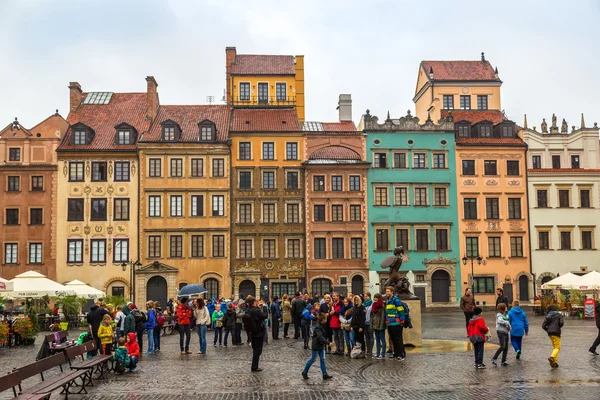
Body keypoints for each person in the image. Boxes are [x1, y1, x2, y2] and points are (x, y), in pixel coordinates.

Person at [302, 313, 333, 381]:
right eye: (326, 319)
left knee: (322, 359)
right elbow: (320, 337)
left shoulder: (322, 325)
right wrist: (328, 343)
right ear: (323, 320)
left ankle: (324, 374)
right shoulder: (318, 326)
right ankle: (304, 372)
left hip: (321, 345)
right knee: (313, 359)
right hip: (316, 345)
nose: (326, 320)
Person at [385, 286, 409, 361]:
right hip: (390, 323)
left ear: (392, 292)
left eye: (388, 291)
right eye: (386, 291)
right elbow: (387, 312)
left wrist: (402, 320)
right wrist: (387, 319)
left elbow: (401, 311)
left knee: (398, 339)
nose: (386, 292)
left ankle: (401, 354)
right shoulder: (388, 300)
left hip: (396, 323)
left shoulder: (396, 300)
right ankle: (396, 353)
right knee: (393, 339)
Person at [246, 295, 268, 372]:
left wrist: (258, 307)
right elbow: (265, 316)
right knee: (257, 351)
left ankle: (254, 366)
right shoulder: (256, 310)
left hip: (251, 332)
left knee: (255, 349)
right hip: (258, 332)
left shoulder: (247, 310)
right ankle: (254, 367)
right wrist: (264, 307)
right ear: (254, 302)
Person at [370, 293, 386, 360]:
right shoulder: (373, 305)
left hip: (380, 324)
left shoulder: (382, 305)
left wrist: (382, 325)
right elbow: (371, 315)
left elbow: (383, 316)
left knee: (382, 339)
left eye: (376, 297)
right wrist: (372, 324)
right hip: (374, 324)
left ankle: (383, 353)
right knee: (377, 339)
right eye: (374, 297)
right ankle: (378, 352)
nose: (375, 299)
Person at [363, 292, 374, 357]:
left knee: (371, 336)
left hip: (370, 322)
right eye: (365, 296)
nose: (365, 298)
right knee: (366, 337)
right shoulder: (363, 304)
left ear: (369, 297)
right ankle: (368, 350)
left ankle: (371, 350)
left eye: (367, 296)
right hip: (364, 322)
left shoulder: (372, 304)